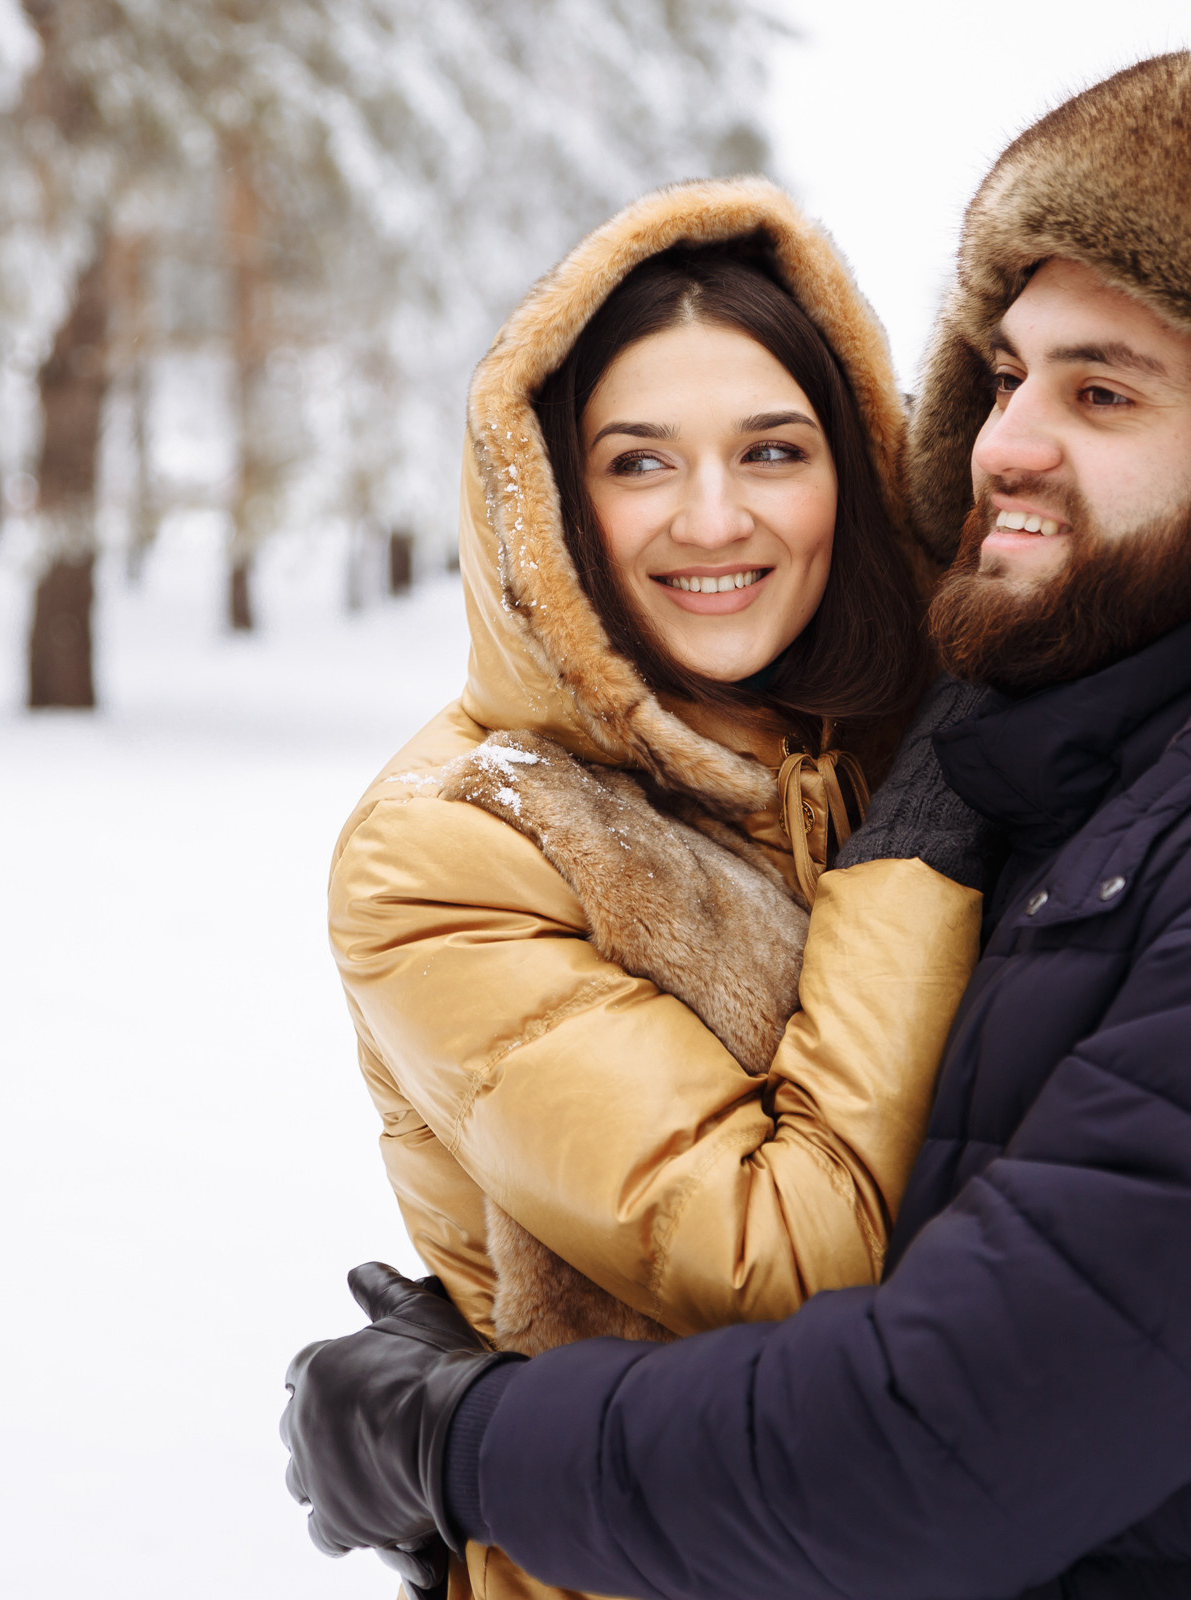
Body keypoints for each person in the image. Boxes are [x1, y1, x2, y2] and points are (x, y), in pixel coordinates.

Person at [285, 52, 1191, 1600]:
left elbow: (936, 1445)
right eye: (1006, 376)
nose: (1002, 444)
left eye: (1103, 390)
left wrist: (467, 1443)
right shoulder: (1099, 775)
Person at [320, 179, 981, 1600]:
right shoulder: (459, 842)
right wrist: (916, 870)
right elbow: (778, 1258)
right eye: (637, 463)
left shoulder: (892, 740)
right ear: (550, 497)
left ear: (852, 473)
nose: (713, 517)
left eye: (772, 450)